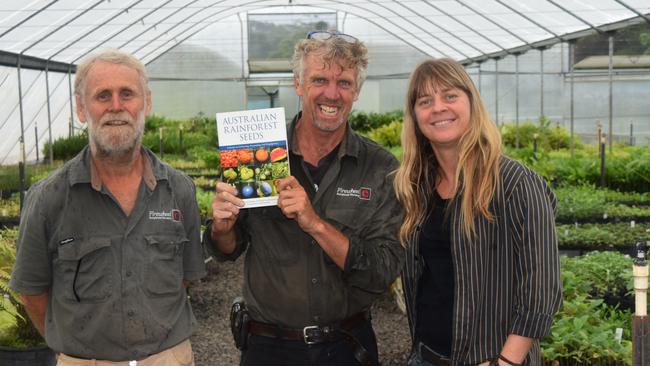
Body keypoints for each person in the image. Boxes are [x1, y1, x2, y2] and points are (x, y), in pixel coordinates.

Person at [204, 30, 403, 366]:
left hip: (347, 347)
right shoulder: (259, 150)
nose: (332, 93)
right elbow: (228, 250)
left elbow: (382, 271)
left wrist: (315, 225)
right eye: (319, 79)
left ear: (357, 91)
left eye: (344, 83)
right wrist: (222, 227)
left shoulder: (379, 167)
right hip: (268, 348)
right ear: (298, 84)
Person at [9, 49, 206, 365]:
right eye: (103, 96)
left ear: (147, 102)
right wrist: (73, 350)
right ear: (81, 108)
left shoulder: (178, 189)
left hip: (167, 358)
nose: (117, 106)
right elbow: (32, 291)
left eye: (127, 94)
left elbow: (185, 276)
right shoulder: (49, 198)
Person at [394, 59, 562, 366]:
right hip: (425, 356)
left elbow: (542, 286)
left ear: (471, 101)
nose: (438, 108)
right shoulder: (416, 186)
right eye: (425, 101)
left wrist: (506, 362)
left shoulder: (515, 183)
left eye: (450, 96)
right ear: (415, 115)